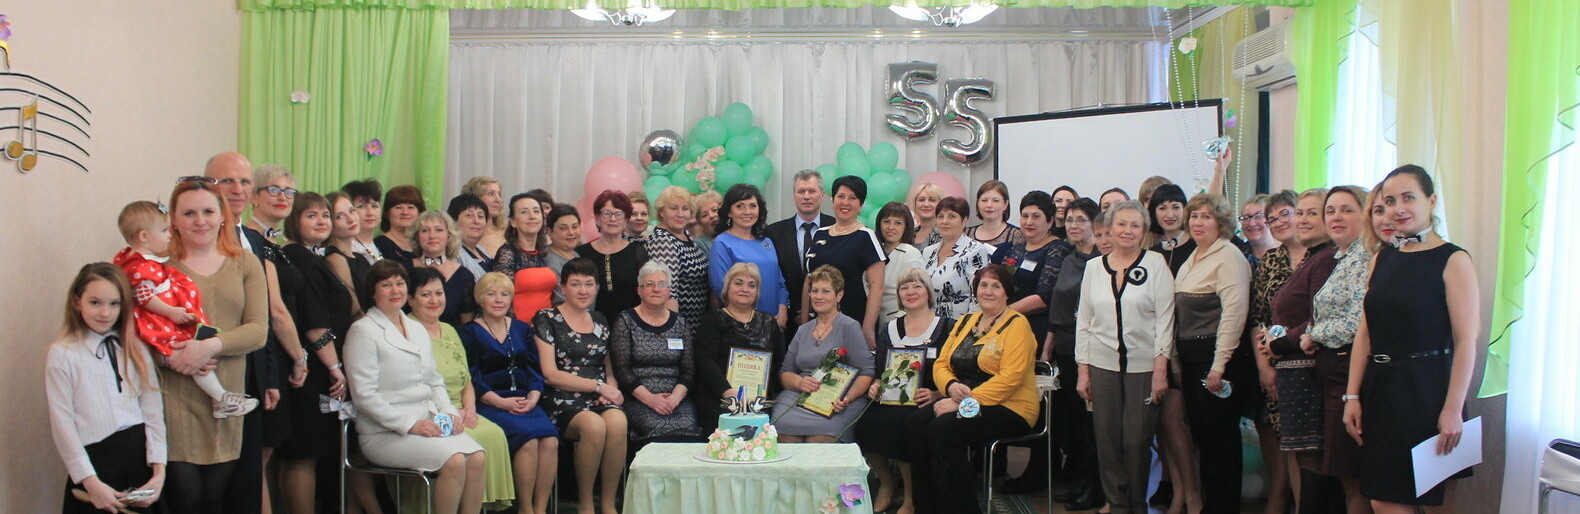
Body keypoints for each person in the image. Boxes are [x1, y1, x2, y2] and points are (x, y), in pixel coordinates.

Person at [1344, 166, 1478, 511]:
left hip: (1428, 390)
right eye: (1389, 201)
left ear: (1431, 201)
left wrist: (1452, 409)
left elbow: (1466, 341)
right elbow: (1365, 332)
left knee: (1432, 502)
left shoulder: (1453, 259)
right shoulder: (1382, 257)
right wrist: (1352, 395)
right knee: (1382, 500)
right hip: (1382, 388)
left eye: (1408, 198)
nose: (1397, 209)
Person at [344, 261, 487, 514]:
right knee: (454, 461)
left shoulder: (416, 328)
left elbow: (434, 381)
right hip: (384, 432)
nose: (395, 290)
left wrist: (449, 413)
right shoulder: (362, 331)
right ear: (373, 292)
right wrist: (410, 425)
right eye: (386, 285)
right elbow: (364, 396)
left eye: (400, 283)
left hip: (427, 422)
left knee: (477, 456)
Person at [161, 177, 268, 512]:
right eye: (189, 213)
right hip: (175, 395)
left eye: (208, 211)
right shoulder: (159, 268)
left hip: (227, 398)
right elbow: (140, 332)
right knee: (185, 499)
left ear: (222, 215)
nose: (200, 221)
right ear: (174, 219)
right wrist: (171, 358)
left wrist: (209, 347)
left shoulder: (245, 262)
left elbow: (258, 330)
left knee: (214, 500)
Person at [906, 264, 1039, 514]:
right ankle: (926, 506)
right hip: (962, 397)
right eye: (983, 285)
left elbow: (1010, 378)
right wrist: (951, 386)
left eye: (996, 286)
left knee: (944, 429)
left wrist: (963, 402)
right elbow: (942, 363)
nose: (988, 291)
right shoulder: (966, 321)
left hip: (1010, 407)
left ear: (1007, 293)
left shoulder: (1018, 325)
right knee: (915, 424)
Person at [1075, 200, 1174, 514]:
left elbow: (1165, 320)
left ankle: (1137, 504)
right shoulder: (1094, 267)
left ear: (1144, 230)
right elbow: (1085, 321)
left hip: (1144, 367)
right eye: (1121, 224)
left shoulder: (1156, 264)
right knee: (1107, 440)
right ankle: (1117, 504)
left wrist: (1160, 370)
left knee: (1136, 440)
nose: (1127, 231)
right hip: (1101, 364)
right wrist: (1083, 371)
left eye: (1135, 225)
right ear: (1110, 228)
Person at [114, 201, 256, 417]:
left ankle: (220, 397)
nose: (169, 235)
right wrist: (171, 312)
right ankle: (220, 398)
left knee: (196, 355)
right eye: (164, 230)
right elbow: (144, 296)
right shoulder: (141, 266)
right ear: (144, 236)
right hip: (156, 323)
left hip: (158, 319)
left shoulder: (135, 260)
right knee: (191, 355)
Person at [47, 263, 168, 514]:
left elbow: (153, 412)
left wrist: (159, 472)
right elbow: (62, 424)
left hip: (141, 466)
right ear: (77, 301)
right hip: (96, 470)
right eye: (95, 303)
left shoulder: (134, 347)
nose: (105, 312)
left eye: (114, 304)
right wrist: (90, 483)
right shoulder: (63, 354)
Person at [404, 268, 518, 513]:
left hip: (461, 408)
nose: (434, 300)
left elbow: (467, 378)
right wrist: (449, 412)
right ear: (410, 299)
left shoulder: (449, 329)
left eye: (439, 293)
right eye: (425, 294)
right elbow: (414, 385)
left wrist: (470, 408)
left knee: (494, 434)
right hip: (428, 412)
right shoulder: (407, 331)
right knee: (473, 441)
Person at [204, 153, 280, 514]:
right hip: (208, 371)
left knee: (248, 474)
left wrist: (269, 376)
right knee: (213, 479)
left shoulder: (253, 239)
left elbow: (263, 313)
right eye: (226, 181)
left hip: (252, 370)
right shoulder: (198, 239)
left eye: (244, 181)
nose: (237, 189)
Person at [277, 192, 360, 514]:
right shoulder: (299, 256)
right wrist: (335, 367)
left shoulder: (314, 256)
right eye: (311, 216)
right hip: (313, 368)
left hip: (322, 365)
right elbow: (315, 324)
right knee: (303, 454)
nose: (321, 221)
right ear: (294, 220)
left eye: (325, 215)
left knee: (314, 453)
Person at [1173, 193, 1253, 513]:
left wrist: (1218, 366)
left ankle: (1224, 507)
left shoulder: (1228, 256)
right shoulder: (1194, 256)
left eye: (1206, 216)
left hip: (1217, 363)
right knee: (1204, 440)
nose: (1198, 222)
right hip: (1193, 361)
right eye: (1194, 216)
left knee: (1221, 443)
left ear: (1220, 222)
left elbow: (1234, 315)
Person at [1263, 189, 1340, 512]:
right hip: (1294, 374)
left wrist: (1282, 342)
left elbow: (1320, 317)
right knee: (1307, 462)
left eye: (1313, 213)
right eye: (1301, 212)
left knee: (1316, 464)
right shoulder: (1313, 257)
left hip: (1310, 373)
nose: (1304, 219)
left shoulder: (1326, 259)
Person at [854, 269, 954, 514]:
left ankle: (911, 496)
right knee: (865, 421)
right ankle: (887, 483)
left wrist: (936, 394)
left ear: (928, 292)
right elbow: (880, 370)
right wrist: (876, 385)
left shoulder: (947, 327)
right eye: (904, 288)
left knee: (904, 425)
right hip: (891, 398)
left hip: (926, 399)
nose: (911, 292)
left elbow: (954, 370)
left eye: (917, 286)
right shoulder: (889, 328)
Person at [460, 271, 560, 514]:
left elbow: (533, 368)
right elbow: (471, 376)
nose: (498, 300)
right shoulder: (469, 332)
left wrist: (534, 396)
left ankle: (540, 508)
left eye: (504, 294)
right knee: (529, 442)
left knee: (550, 440)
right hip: (491, 402)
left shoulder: (521, 328)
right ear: (480, 298)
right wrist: (500, 402)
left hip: (526, 400)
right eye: (491, 294)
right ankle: (525, 508)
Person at [534, 258, 627, 514]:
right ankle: (585, 502)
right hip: (561, 398)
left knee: (618, 422)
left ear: (596, 287)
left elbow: (609, 367)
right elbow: (550, 374)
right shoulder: (547, 318)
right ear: (563, 287)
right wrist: (598, 387)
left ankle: (608, 503)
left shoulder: (600, 320)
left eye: (589, 284)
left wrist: (611, 389)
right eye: (575, 284)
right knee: (593, 426)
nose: (583, 290)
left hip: (598, 396)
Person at [1305, 185, 1373, 513]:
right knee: (1346, 476)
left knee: (1356, 477)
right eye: (1330, 211)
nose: (1336, 217)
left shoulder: (1366, 256)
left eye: (1347, 210)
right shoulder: (1341, 257)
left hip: (1351, 376)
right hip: (1333, 378)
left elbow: (1358, 322)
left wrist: (1312, 335)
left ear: (1366, 214)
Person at [1042, 198, 1107, 511]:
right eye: (1069, 220)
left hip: (1093, 352)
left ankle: (1095, 486)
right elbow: (1058, 308)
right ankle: (1080, 481)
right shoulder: (1069, 258)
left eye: (1081, 220)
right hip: (1066, 348)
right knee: (1072, 421)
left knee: (1091, 423)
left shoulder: (1103, 260)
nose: (1073, 225)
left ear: (1095, 223)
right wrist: (1047, 348)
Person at [770, 265, 877, 443]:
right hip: (798, 396)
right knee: (782, 431)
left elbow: (867, 372)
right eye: (814, 291)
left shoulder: (849, 327)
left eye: (826, 291)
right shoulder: (803, 330)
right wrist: (800, 382)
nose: (818, 296)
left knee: (819, 440)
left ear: (839, 295)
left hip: (836, 400)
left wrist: (846, 398)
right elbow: (785, 373)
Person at [609, 261, 705, 447]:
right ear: (639, 290)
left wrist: (675, 398)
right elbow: (622, 369)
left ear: (669, 290)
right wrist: (651, 400)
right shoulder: (625, 320)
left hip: (676, 399)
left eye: (662, 284)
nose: (656, 289)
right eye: (649, 284)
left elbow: (688, 370)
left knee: (688, 425)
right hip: (639, 397)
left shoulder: (681, 323)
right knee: (654, 427)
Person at [693, 262, 788, 433]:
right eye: (738, 283)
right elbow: (705, 361)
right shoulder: (712, 320)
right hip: (720, 401)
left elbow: (780, 363)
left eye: (751, 285)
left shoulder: (769, 322)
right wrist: (727, 391)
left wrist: (764, 393)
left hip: (759, 403)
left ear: (757, 292)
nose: (745, 289)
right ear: (727, 288)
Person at [800, 175, 887, 348]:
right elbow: (808, 281)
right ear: (833, 200)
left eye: (852, 198)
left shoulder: (866, 236)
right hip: (817, 324)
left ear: (861, 205)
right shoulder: (820, 234)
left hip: (852, 322)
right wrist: (803, 325)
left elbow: (877, 287)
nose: (845, 202)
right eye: (841, 196)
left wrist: (867, 328)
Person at [992, 190, 1073, 349]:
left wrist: (1003, 314)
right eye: (1025, 216)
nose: (1029, 222)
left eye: (1036, 216)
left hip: (1034, 330)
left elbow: (1043, 298)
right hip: (1005, 326)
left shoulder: (1057, 249)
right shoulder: (1016, 248)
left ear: (1050, 221)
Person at [709, 184, 790, 326]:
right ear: (729, 212)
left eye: (752, 206)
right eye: (740, 206)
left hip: (775, 321)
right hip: (741, 323)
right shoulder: (722, 242)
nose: (747, 212)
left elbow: (780, 282)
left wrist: (783, 310)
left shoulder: (766, 242)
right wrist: (750, 319)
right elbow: (721, 287)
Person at [765, 169, 834, 334]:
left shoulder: (836, 229)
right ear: (794, 195)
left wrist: (812, 309)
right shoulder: (774, 232)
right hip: (784, 319)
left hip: (829, 318)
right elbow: (774, 277)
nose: (806, 196)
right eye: (801, 191)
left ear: (822, 194)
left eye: (812, 191)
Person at [577, 190, 651, 324]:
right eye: (607, 213)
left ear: (626, 220)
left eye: (619, 214)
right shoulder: (581, 253)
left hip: (630, 325)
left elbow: (646, 293)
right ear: (597, 218)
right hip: (589, 325)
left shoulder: (638, 252)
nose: (613, 219)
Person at [643, 186, 710, 330]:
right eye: (673, 208)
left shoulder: (685, 234)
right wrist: (674, 332)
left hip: (696, 323)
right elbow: (667, 292)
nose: (680, 214)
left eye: (685, 208)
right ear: (661, 212)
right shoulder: (663, 241)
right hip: (679, 326)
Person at [923, 196, 995, 320]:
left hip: (959, 324)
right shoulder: (928, 252)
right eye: (940, 216)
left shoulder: (975, 251)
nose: (944, 221)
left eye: (951, 216)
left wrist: (968, 327)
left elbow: (979, 297)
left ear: (964, 221)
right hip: (928, 323)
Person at [494, 194, 557, 324]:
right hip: (519, 328)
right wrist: (516, 330)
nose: (532, 216)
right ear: (513, 221)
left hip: (546, 329)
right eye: (524, 212)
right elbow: (501, 298)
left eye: (536, 211)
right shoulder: (507, 253)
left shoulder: (543, 253)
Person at [413, 210, 480, 327]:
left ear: (449, 236)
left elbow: (466, 325)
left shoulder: (463, 276)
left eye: (439, 230)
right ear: (417, 237)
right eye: (425, 230)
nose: (432, 236)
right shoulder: (404, 269)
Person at [874, 202, 925, 325]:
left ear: (906, 227)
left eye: (898, 223)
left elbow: (918, 293)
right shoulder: (874, 251)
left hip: (901, 322)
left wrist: (900, 323)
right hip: (873, 319)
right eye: (886, 221)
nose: (891, 227)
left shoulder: (910, 254)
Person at [324, 192, 371, 309]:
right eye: (339, 216)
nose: (350, 219)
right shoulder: (335, 258)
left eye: (352, 211)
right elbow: (354, 309)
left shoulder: (360, 257)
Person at [375, 185, 425, 266]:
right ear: (387, 213)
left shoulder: (424, 244)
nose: (405, 212)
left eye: (411, 207)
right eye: (398, 207)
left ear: (420, 213)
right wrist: (414, 263)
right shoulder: (379, 245)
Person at [449, 194, 495, 280]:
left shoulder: (481, 250)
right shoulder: (452, 253)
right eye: (469, 215)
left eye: (480, 216)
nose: (476, 221)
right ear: (453, 221)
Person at [966, 179, 1025, 247]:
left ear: (1005, 204)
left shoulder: (1016, 234)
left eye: (995, 200)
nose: (989, 205)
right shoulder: (967, 234)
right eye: (984, 200)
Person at [1148, 183, 1192, 272]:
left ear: (1185, 210)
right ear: (1154, 213)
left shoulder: (1197, 246)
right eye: (1162, 208)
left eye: (1176, 207)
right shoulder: (1152, 253)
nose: (1170, 215)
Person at [342, 178, 386, 265]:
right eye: (361, 206)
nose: (370, 213)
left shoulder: (375, 245)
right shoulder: (347, 249)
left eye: (374, 206)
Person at [461, 176, 507, 257]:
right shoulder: (464, 236)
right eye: (490, 194)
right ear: (475, 198)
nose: (498, 200)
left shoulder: (509, 233)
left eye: (499, 195)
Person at [544, 203, 582, 280]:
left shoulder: (576, 255)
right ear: (550, 232)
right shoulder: (550, 262)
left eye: (575, 227)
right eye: (563, 228)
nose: (571, 232)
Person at [1240, 194, 1278, 260]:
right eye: (1246, 217)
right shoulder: (1237, 254)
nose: (1251, 223)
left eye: (1258, 216)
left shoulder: (1287, 256)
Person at [688, 190, 723, 256]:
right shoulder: (700, 244)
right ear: (700, 222)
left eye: (714, 210)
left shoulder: (737, 232)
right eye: (704, 215)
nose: (711, 216)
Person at [910, 182, 944, 247]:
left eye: (932, 200)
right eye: (921, 200)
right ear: (915, 204)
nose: (926, 204)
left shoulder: (945, 234)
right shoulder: (909, 234)